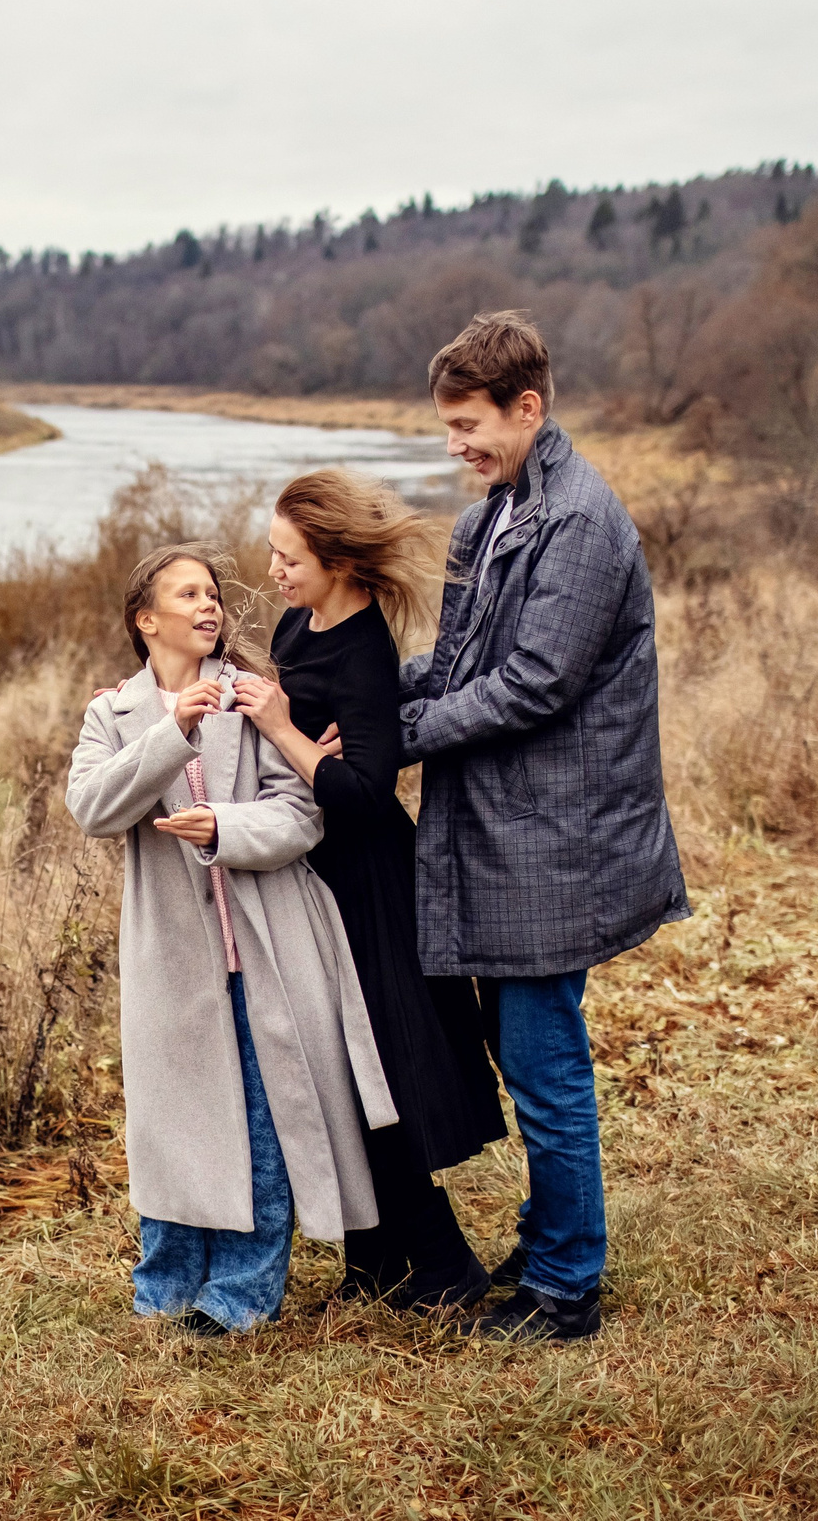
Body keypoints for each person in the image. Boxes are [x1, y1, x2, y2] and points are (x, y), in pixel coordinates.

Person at [399, 310, 692, 1343]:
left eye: (469, 425)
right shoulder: (492, 518)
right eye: (445, 427)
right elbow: (453, 665)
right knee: (525, 1056)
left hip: (555, 843)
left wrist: (404, 738)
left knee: (543, 1062)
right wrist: (344, 702)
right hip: (504, 836)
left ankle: (566, 1287)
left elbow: (532, 684)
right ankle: (551, 1233)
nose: (455, 446)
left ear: (529, 407)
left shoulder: (577, 520)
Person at [64, 543, 397, 1335]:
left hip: (265, 945)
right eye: (188, 594)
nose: (210, 606)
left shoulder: (255, 699)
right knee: (173, 1126)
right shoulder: (111, 715)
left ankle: (242, 1295)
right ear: (147, 619)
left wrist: (224, 827)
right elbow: (91, 809)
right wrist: (168, 733)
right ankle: (166, 1285)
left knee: (261, 1119)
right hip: (171, 955)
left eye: (214, 593)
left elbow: (302, 811)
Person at [230, 470, 507, 1313]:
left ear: (339, 560)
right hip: (314, 879)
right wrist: (151, 697)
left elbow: (361, 790)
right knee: (334, 1070)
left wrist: (286, 731)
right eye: (274, 553)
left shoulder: (364, 651)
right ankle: (376, 1262)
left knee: (372, 1071)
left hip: (367, 884)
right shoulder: (298, 622)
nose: (275, 571)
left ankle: (446, 1269)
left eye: (290, 557)